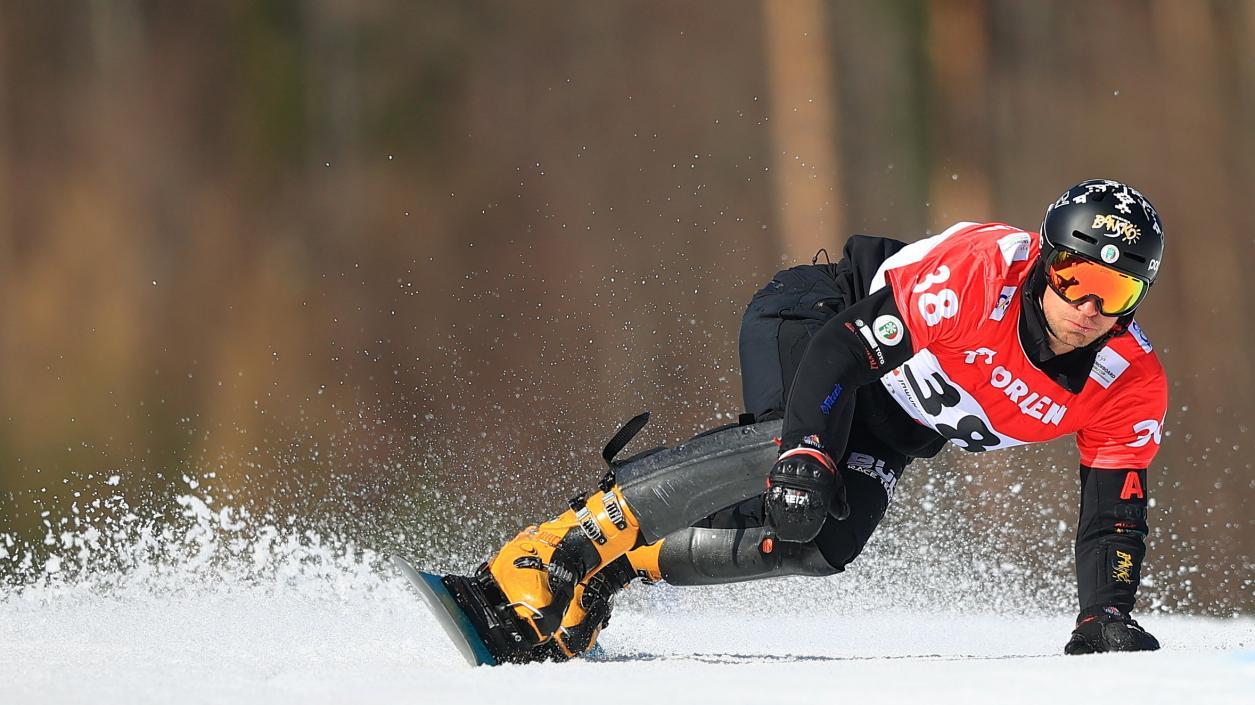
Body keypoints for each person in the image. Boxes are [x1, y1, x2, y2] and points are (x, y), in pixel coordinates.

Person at [438, 178, 1167, 662]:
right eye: (1074, 277)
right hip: (822, 321)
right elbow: (841, 351)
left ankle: (610, 571)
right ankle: (555, 548)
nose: (1086, 307)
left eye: (1115, 289)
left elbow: (1113, 517)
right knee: (785, 460)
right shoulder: (978, 279)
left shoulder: (1128, 382)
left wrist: (1103, 615)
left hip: (894, 419)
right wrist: (808, 450)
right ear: (1045, 261)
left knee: (818, 541)